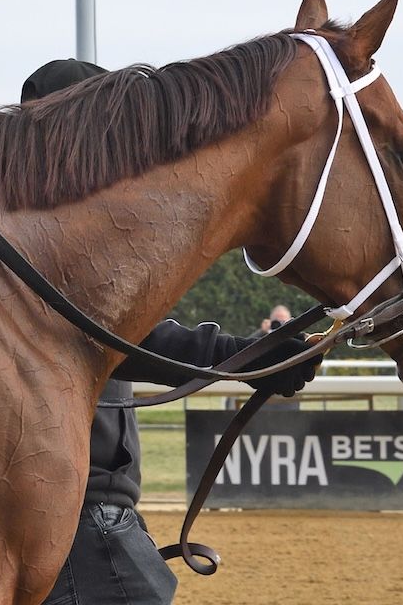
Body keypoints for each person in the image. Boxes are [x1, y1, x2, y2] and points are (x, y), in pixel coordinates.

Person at [21, 60, 321, 605]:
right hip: (78, 516)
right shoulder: (44, 238)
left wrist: (253, 356)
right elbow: (123, 340)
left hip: (84, 511)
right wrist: (245, 357)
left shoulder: (45, 230)